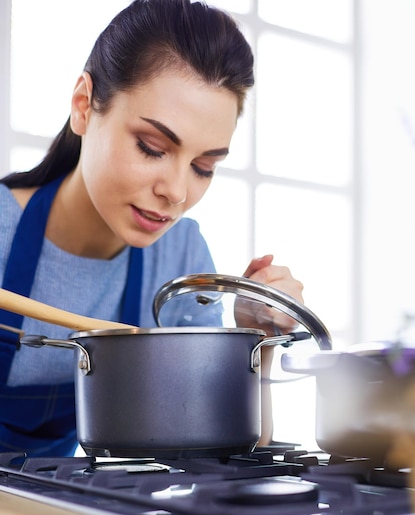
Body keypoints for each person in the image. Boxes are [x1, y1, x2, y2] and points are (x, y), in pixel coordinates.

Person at [0, 0, 304, 457]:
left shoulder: (181, 258)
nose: (177, 192)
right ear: (84, 105)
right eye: (151, 147)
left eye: (203, 167)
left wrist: (252, 349)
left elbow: (224, 460)